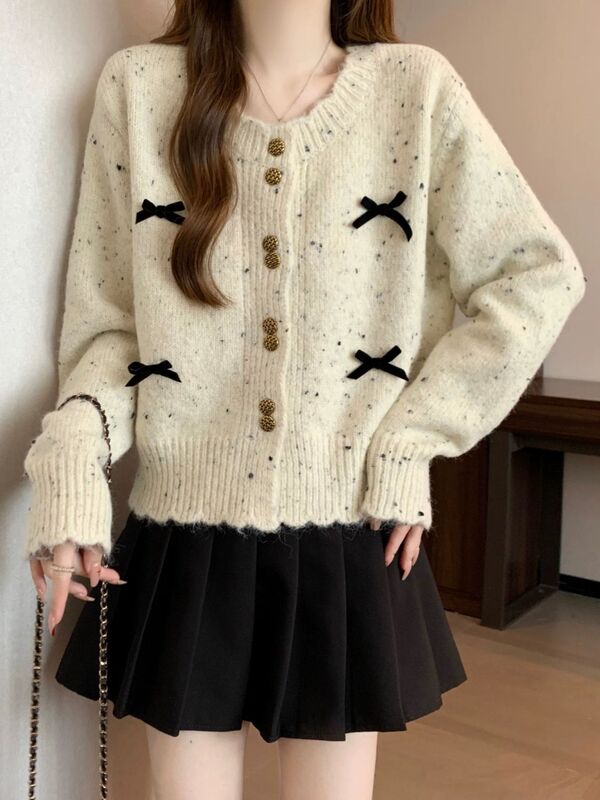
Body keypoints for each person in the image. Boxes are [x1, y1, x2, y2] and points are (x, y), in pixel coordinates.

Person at [22, 1, 586, 798]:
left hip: (349, 537)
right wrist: (72, 460)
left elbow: (538, 275)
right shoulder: (140, 88)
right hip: (184, 534)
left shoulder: (415, 90)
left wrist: (411, 440)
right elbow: (111, 328)